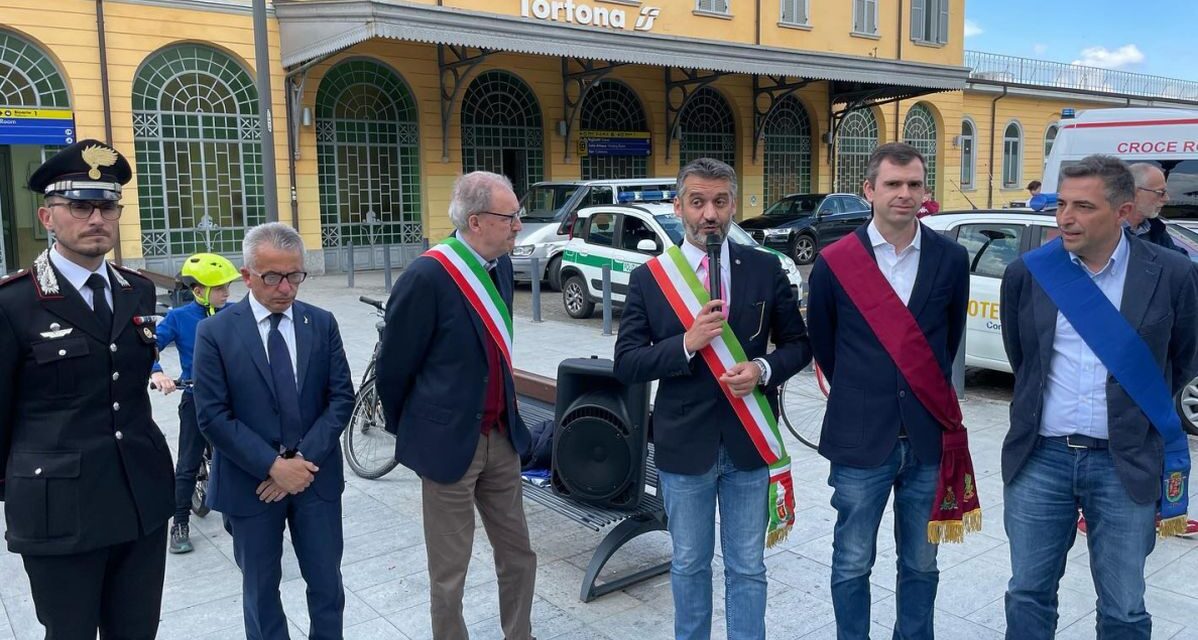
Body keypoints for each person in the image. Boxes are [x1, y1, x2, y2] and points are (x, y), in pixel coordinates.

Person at [1000, 155, 1197, 639]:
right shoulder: (1028, 272)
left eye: (1083, 207)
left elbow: (1184, 356)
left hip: (1124, 461)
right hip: (1040, 457)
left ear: (1123, 212)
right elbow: (1023, 356)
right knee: (1027, 593)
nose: (1066, 217)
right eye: (1062, 204)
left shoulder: (1171, 273)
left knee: (1124, 607)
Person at [613, 157, 811, 639]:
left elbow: (799, 345)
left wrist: (762, 369)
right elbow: (628, 363)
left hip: (749, 443)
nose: (709, 214)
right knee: (688, 564)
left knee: (747, 567)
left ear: (733, 205)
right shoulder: (651, 278)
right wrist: (686, 343)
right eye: (698, 202)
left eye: (720, 202)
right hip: (684, 446)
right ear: (678, 207)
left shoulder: (763, 267)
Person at [0, 140, 174, 639]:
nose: (97, 218)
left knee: (137, 631)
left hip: (139, 497)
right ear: (47, 217)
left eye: (107, 206)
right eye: (80, 206)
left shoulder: (137, 289)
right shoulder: (14, 303)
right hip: (60, 509)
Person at [806, 142, 974, 639]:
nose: (905, 194)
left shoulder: (951, 257)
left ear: (925, 191)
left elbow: (947, 339)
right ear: (869, 190)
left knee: (921, 563)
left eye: (914, 184)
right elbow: (825, 343)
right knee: (852, 561)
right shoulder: (835, 261)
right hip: (860, 439)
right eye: (893, 184)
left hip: (927, 438)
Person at [377, 171, 537, 640]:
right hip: (449, 447)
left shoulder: (500, 267)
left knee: (519, 555)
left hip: (501, 438)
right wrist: (418, 432)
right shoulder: (427, 276)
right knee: (450, 571)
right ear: (476, 221)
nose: (518, 226)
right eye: (510, 217)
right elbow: (394, 367)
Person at [193, 223, 354, 640]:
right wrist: (273, 467)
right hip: (250, 485)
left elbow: (340, 399)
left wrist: (300, 464)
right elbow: (212, 415)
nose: (286, 288)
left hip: (315, 481)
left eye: (294, 275)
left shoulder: (321, 323)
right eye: (272, 277)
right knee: (261, 592)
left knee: (327, 586)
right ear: (247, 276)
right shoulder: (215, 332)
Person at [150, 253, 241, 554]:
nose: (226, 293)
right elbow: (150, 345)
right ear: (199, 290)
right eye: (220, 288)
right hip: (196, 396)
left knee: (243, 454)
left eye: (227, 287)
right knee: (188, 463)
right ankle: (179, 522)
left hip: (232, 397)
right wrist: (157, 372)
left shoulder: (235, 313)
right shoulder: (179, 317)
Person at [1125, 163, 1184, 254]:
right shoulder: (1106, 230)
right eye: (1160, 192)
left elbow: (1180, 259)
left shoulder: (1155, 229)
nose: (1166, 199)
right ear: (1134, 192)